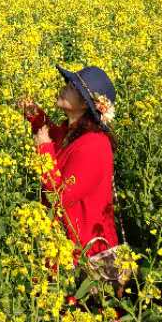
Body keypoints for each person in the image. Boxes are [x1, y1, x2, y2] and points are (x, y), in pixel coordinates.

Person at [18, 64, 129, 291]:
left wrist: (44, 150)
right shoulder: (74, 131)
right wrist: (34, 114)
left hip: (86, 257)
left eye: (71, 87)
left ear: (85, 104)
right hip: (64, 247)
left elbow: (59, 198)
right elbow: (53, 134)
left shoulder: (94, 145)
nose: (63, 88)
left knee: (88, 315)